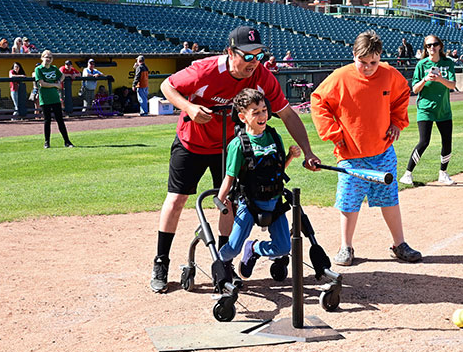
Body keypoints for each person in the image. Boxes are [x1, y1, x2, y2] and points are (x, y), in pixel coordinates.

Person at [150, 25, 320, 293]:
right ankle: (161, 261)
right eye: (248, 56)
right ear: (231, 52)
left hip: (228, 147)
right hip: (191, 142)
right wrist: (190, 107)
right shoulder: (205, 70)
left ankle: (223, 261)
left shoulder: (262, 77)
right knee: (177, 199)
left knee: (227, 201)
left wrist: (308, 152)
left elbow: (287, 114)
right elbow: (166, 85)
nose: (255, 62)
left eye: (259, 55)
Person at [311, 30, 421, 266]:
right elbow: (317, 101)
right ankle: (346, 247)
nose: (369, 67)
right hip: (351, 156)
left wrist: (397, 121)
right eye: (363, 62)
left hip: (382, 152)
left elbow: (402, 94)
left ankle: (399, 244)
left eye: (374, 62)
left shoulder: (390, 74)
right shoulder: (340, 77)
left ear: (380, 57)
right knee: (348, 202)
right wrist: (333, 133)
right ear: (354, 55)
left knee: (390, 199)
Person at [216, 89, 301, 278]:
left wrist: (290, 157)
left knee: (283, 247)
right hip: (250, 203)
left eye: (264, 110)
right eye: (255, 112)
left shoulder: (273, 136)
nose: (263, 116)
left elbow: (278, 170)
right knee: (232, 249)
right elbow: (229, 177)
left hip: (275, 201)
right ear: (242, 117)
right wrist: (221, 200)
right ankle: (220, 265)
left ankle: (254, 248)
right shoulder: (238, 145)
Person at [400, 34, 457, 187]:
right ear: (425, 48)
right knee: (424, 141)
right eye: (429, 45)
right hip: (425, 108)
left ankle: (443, 173)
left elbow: (452, 85)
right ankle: (408, 173)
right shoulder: (422, 65)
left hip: (443, 109)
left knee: (447, 142)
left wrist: (439, 79)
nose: (432, 47)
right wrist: (425, 79)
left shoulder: (447, 63)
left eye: (435, 44)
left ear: (440, 46)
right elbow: (415, 89)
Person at [35, 50, 74, 149]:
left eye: (50, 57)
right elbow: (42, 83)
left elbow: (62, 76)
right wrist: (55, 85)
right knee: (47, 120)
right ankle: (47, 142)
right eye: (46, 57)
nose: (48, 59)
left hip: (55, 98)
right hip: (45, 99)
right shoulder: (39, 69)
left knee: (60, 120)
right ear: (42, 57)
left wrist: (58, 81)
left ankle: (67, 141)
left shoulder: (54, 68)